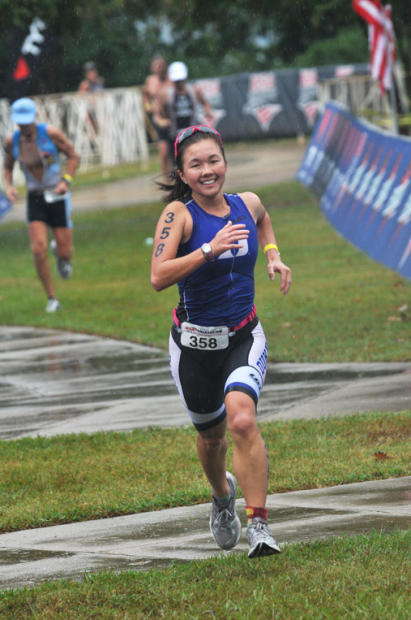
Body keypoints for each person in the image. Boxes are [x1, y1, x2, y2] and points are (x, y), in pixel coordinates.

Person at [150, 125, 292, 558]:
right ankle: (221, 495)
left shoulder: (247, 203)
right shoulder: (179, 215)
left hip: (243, 336)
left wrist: (273, 255)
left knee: (242, 420)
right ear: (183, 173)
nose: (207, 170)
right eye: (196, 164)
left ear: (225, 162)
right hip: (192, 348)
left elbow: (263, 219)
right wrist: (208, 250)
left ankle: (260, 526)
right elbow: (158, 276)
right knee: (212, 439)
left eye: (214, 160)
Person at [3, 97, 80, 313]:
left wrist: (66, 181)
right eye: (20, 123)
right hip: (35, 197)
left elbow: (73, 156)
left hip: (57, 194)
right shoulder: (12, 141)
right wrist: (9, 186)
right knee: (38, 248)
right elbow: (8, 166)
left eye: (27, 121)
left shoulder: (50, 133)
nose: (24, 126)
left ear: (34, 117)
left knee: (65, 252)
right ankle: (52, 298)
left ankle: (61, 254)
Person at [153, 61, 213, 170]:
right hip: (173, 134)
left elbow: (205, 103)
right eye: (176, 81)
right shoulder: (165, 94)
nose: (179, 83)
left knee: (194, 159)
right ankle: (169, 179)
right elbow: (157, 115)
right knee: (175, 162)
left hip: (191, 132)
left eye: (180, 80)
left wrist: (208, 112)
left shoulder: (194, 91)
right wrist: (162, 121)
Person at [142, 55, 172, 180]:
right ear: (152, 68)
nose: (159, 68)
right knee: (163, 151)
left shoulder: (171, 80)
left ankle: (181, 177)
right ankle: (166, 179)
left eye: (162, 65)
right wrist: (147, 106)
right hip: (158, 119)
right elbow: (145, 95)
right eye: (157, 65)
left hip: (172, 119)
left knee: (176, 151)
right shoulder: (150, 81)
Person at [77, 61, 104, 134]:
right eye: (89, 73)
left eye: (93, 72)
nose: (92, 74)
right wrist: (90, 98)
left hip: (99, 107)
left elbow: (102, 94)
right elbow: (79, 98)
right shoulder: (85, 84)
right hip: (89, 109)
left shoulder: (99, 82)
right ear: (86, 75)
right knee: (92, 127)